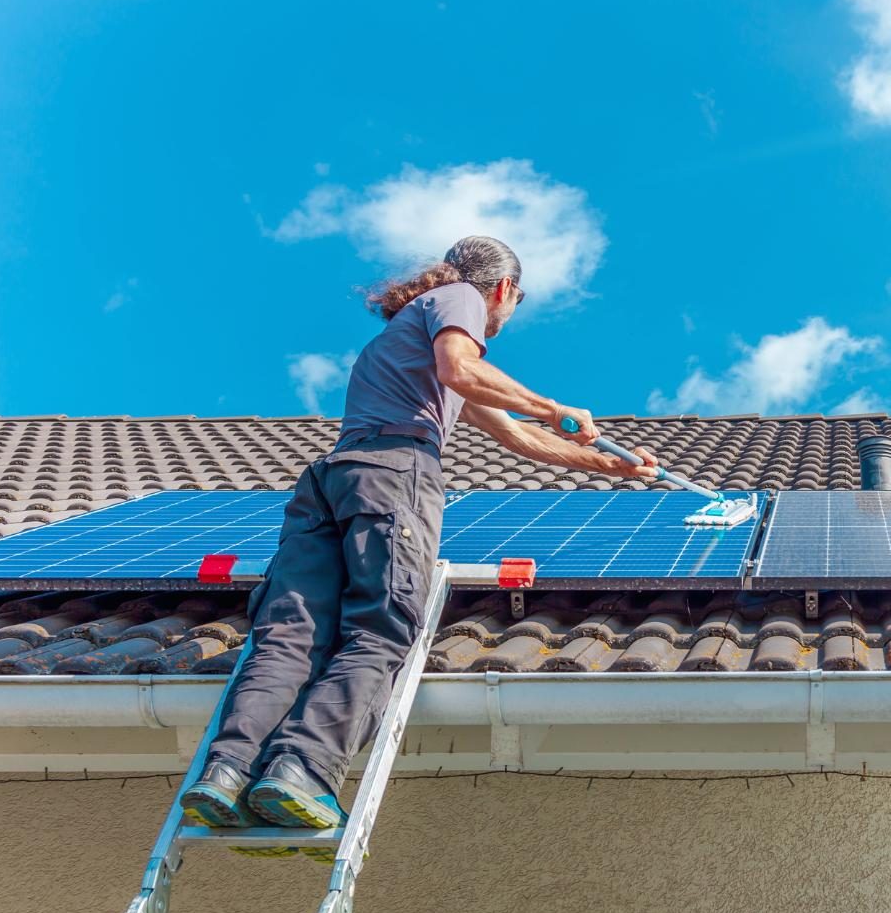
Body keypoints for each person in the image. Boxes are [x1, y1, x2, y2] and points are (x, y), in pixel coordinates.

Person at [181, 235, 658, 839]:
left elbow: (514, 436)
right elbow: (464, 369)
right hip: (392, 475)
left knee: (291, 635)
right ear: (504, 289)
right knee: (380, 628)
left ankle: (227, 772)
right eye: (514, 303)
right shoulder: (459, 299)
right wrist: (555, 406)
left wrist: (613, 467)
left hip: (332, 481)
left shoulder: (403, 334)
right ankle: (301, 770)